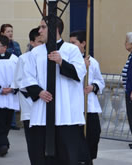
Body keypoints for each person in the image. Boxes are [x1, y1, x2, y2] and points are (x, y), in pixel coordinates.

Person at [21, 16, 87, 165]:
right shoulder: (35, 52)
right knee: (41, 152)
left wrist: (61, 61)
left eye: (43, 27)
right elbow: (27, 77)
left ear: (55, 29)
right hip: (43, 108)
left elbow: (79, 73)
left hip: (65, 111)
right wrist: (38, 91)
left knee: (66, 153)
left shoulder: (71, 50)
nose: (40, 30)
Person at [69, 30, 105, 164]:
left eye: (74, 42)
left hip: (89, 106)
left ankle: (89, 158)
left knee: (93, 134)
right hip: (75, 106)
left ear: (83, 43)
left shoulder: (93, 62)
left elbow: (100, 81)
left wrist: (93, 87)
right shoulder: (69, 61)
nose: (71, 45)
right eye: (70, 42)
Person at [12, 27, 43, 163]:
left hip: (46, 107)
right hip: (30, 105)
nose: (42, 45)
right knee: (34, 142)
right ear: (32, 42)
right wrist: (37, 93)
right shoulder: (23, 59)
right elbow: (19, 82)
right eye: (39, 42)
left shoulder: (49, 57)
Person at [0, 23, 22, 130]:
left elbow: (20, 57)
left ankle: (12, 123)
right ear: (2, 33)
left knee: (13, 97)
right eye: (8, 31)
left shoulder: (16, 44)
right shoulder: (0, 45)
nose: (10, 33)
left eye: (11, 31)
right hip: (4, 74)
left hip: (15, 73)